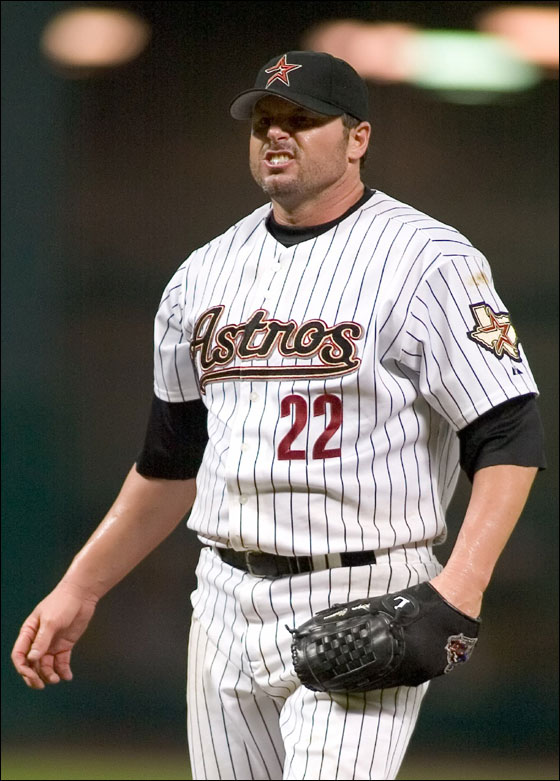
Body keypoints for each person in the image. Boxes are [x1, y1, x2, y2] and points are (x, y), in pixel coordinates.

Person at [12, 51, 546, 780]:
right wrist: (81, 585)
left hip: (367, 592)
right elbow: (170, 462)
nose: (276, 134)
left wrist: (462, 585)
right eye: (264, 120)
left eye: (302, 119)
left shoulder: (428, 259)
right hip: (225, 599)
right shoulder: (203, 273)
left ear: (358, 137)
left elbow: (509, 431)